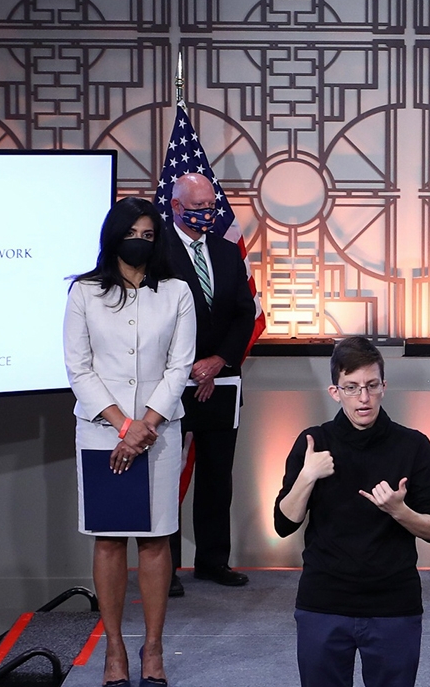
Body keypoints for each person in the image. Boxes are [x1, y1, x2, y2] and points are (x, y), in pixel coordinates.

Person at [64, 197, 196, 687]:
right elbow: (79, 368)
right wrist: (124, 426)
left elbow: (179, 366)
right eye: (131, 233)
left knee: (158, 537)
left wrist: (145, 426)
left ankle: (154, 648)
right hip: (102, 431)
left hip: (158, 433)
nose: (139, 241)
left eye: (148, 234)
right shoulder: (84, 292)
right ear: (113, 236)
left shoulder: (177, 291)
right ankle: (115, 649)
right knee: (110, 538)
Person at [274, 336, 430, 687]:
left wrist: (399, 510)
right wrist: (307, 476)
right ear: (335, 392)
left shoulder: (413, 445)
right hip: (324, 601)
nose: (363, 398)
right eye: (351, 388)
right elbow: (282, 523)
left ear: (384, 386)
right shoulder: (314, 443)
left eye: (370, 386)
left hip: (393, 604)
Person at [164, 172, 258, 597]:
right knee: (166, 477)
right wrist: (190, 367)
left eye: (211, 206)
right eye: (198, 207)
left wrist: (218, 362)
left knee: (218, 475)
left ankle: (213, 561)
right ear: (176, 207)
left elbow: (244, 314)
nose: (207, 214)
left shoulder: (225, 251)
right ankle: (163, 569)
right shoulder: (157, 252)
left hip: (221, 381)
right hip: (169, 383)